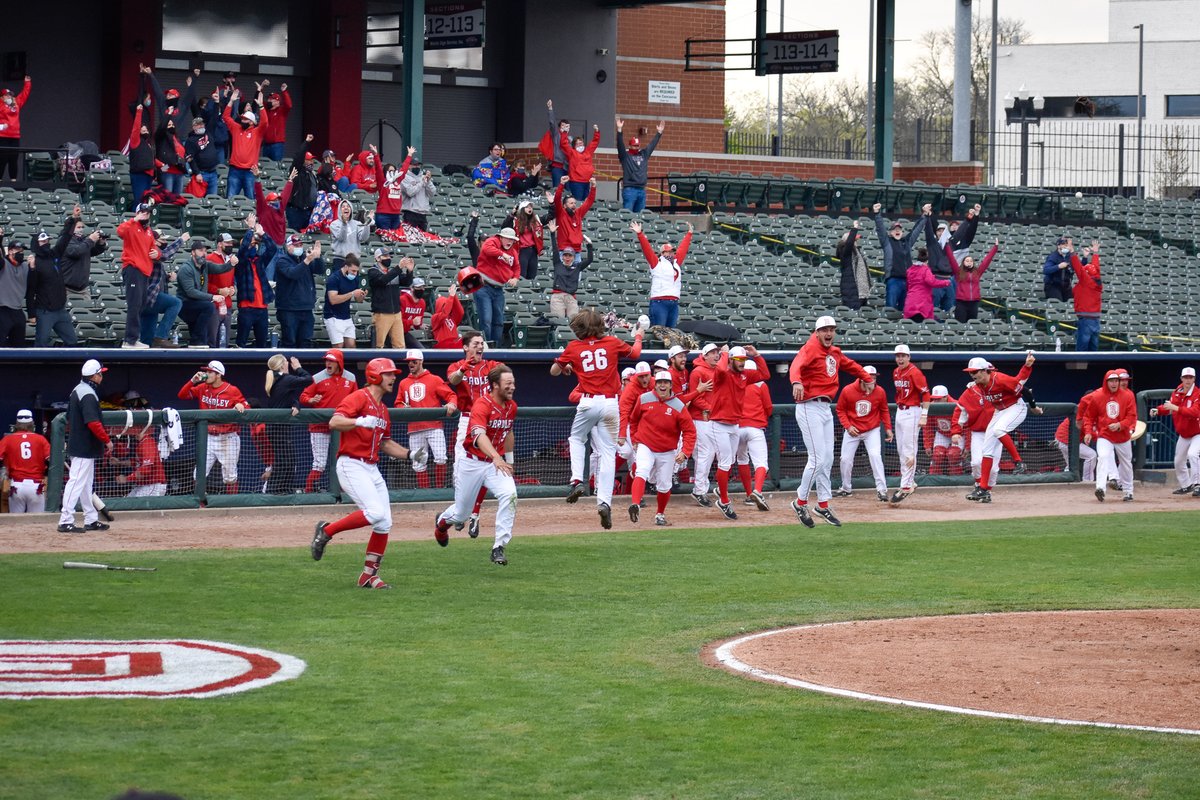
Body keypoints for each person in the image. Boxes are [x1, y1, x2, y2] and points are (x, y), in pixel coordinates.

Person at [310, 358, 426, 588]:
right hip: (351, 463)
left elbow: (385, 443)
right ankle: (327, 530)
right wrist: (359, 421)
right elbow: (335, 421)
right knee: (374, 512)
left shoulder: (383, 409)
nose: (394, 378)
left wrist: (410, 454)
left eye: (394, 374)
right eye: (389, 374)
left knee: (384, 523)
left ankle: (368, 576)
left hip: (371, 467)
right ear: (375, 376)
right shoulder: (358, 397)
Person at [552, 309, 646, 529]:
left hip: (587, 402)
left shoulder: (574, 347)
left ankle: (576, 480)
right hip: (610, 404)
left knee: (576, 439)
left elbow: (554, 371)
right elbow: (636, 354)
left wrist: (566, 366)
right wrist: (639, 334)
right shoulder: (612, 342)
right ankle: (604, 501)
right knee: (607, 454)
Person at [789, 315, 873, 527]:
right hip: (808, 406)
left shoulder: (834, 352)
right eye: (824, 330)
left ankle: (823, 504)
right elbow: (796, 365)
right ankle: (800, 502)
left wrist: (867, 377)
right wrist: (796, 381)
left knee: (827, 460)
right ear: (817, 332)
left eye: (832, 329)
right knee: (817, 459)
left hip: (825, 408)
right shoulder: (810, 348)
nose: (828, 333)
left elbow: (850, 365)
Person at [434, 365, 518, 566]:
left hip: (493, 465)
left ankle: (499, 546)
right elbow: (479, 437)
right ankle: (442, 523)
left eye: (513, 383)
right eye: (508, 384)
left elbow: (508, 433)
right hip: (472, 463)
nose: (512, 387)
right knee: (462, 513)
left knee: (510, 494)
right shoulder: (482, 405)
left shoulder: (511, 406)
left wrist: (509, 459)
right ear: (495, 385)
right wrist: (497, 458)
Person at [446, 330, 506, 538]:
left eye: (482, 344)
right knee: (460, 467)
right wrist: (464, 368)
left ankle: (475, 513)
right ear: (465, 347)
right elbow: (453, 380)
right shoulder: (456, 366)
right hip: (467, 418)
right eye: (475, 344)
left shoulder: (490, 366)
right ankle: (459, 511)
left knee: (487, 466)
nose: (480, 347)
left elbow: (506, 376)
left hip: (489, 422)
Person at [962, 353, 1035, 503]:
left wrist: (1034, 406)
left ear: (984, 371)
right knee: (987, 450)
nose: (972, 374)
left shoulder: (999, 379)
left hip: (1016, 407)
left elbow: (1023, 387)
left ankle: (1019, 461)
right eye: (970, 372)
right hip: (1000, 411)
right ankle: (983, 489)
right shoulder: (979, 385)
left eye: (974, 371)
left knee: (998, 430)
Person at [707, 345, 769, 520]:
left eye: (744, 360)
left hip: (735, 425)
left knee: (731, 461)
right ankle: (724, 501)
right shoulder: (722, 373)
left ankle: (722, 490)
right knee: (725, 463)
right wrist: (725, 353)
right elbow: (719, 367)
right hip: (718, 424)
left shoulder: (744, 375)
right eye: (739, 360)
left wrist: (756, 355)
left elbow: (765, 374)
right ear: (731, 360)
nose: (742, 363)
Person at [627, 371, 696, 526]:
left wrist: (685, 452)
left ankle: (660, 514)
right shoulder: (644, 399)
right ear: (655, 384)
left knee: (664, 485)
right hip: (646, 444)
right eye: (659, 382)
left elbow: (690, 431)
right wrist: (635, 438)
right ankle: (635, 504)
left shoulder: (678, 405)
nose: (662, 385)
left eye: (665, 382)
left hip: (667, 449)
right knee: (641, 470)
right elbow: (634, 419)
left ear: (671, 385)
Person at [58, 359, 113, 532]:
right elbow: (93, 423)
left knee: (86, 485)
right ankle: (65, 520)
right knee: (75, 483)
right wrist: (107, 440)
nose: (102, 376)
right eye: (100, 373)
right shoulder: (87, 394)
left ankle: (91, 519)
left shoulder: (78, 389)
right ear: (95, 375)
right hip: (83, 447)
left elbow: (68, 417)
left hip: (83, 446)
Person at [178, 360, 247, 494]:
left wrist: (241, 405)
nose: (206, 374)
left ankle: (231, 503)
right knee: (198, 472)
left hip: (227, 438)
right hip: (208, 437)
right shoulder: (202, 387)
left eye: (210, 372)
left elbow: (246, 407)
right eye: (206, 371)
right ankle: (200, 501)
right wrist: (192, 381)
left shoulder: (232, 390)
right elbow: (182, 395)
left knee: (230, 475)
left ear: (218, 374)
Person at [298, 349, 357, 493]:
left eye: (331, 361)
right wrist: (311, 400)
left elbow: (357, 399)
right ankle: (309, 492)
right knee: (319, 464)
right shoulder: (318, 378)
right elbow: (303, 396)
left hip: (340, 426)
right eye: (326, 360)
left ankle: (344, 492)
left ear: (339, 363)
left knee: (344, 462)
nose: (328, 363)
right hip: (320, 427)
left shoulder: (350, 378)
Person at [398, 349, 458, 488]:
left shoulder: (434, 379)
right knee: (418, 462)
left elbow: (451, 395)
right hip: (414, 428)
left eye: (414, 361)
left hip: (434, 426)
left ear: (421, 361)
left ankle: (439, 490)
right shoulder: (404, 383)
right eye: (409, 362)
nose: (411, 364)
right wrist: (403, 409)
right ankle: (424, 492)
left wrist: (451, 403)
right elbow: (398, 403)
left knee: (441, 458)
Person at [833, 365, 892, 501]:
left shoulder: (880, 391)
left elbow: (884, 410)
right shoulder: (848, 390)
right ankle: (846, 488)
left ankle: (882, 490)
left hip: (872, 429)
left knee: (875, 456)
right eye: (869, 377)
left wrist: (888, 428)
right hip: (852, 430)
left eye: (874, 377)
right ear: (861, 378)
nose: (872, 380)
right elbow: (840, 410)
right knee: (845, 460)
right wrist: (848, 426)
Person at [1083, 369, 1136, 502]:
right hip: (1105, 435)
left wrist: (1120, 425)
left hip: (1122, 436)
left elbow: (1132, 417)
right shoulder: (1097, 396)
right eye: (1111, 381)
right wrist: (1088, 431)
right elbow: (1089, 417)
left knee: (1126, 463)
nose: (1114, 383)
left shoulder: (1128, 396)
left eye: (1116, 381)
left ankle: (1128, 491)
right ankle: (1100, 488)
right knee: (1103, 457)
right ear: (1106, 382)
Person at [631, 219, 693, 328]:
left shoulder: (676, 263)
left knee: (671, 332)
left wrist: (689, 234)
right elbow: (648, 250)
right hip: (659, 302)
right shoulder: (656, 263)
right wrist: (640, 234)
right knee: (659, 331)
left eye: (672, 251)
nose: (671, 253)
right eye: (668, 252)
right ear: (662, 253)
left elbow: (683, 249)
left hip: (673, 302)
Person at [263, 354, 311, 494]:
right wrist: (299, 368)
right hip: (278, 427)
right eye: (287, 363)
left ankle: (284, 490)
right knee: (284, 461)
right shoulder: (285, 379)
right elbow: (309, 380)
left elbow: (290, 396)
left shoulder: (279, 380)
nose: (289, 365)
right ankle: (275, 491)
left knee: (288, 460)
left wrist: (296, 404)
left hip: (277, 427)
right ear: (283, 365)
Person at [890, 343, 931, 503]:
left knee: (909, 449)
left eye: (903, 356)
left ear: (909, 357)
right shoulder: (896, 372)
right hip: (900, 411)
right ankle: (909, 481)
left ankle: (906, 486)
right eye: (898, 356)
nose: (900, 358)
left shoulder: (915, 372)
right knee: (901, 450)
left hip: (912, 411)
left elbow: (926, 395)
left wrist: (924, 415)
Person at [1151, 366, 1200, 496]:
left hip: (1197, 432)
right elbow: (1170, 407)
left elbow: (1195, 412)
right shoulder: (1177, 392)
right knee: (1178, 461)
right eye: (1185, 377)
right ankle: (1186, 485)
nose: (1188, 380)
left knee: (1193, 454)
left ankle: (1198, 484)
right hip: (1184, 434)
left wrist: (1176, 408)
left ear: (1194, 379)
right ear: (1181, 378)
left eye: (1190, 378)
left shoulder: (1197, 394)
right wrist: (1158, 410)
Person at [873, 202, 930, 311]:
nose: (897, 230)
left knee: (905, 309)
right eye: (895, 229)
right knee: (891, 307)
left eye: (899, 229)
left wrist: (925, 215)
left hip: (908, 280)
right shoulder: (887, 242)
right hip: (893, 280)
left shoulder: (907, 242)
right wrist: (877, 214)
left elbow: (916, 230)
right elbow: (880, 229)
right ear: (890, 232)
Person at [116, 203, 158, 349]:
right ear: (138, 213)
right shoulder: (131, 226)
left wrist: (156, 253)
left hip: (145, 271)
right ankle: (130, 340)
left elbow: (154, 248)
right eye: (144, 212)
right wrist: (134, 219)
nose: (146, 215)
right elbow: (120, 231)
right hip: (133, 268)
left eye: (148, 213)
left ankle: (134, 338)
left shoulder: (149, 231)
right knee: (134, 304)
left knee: (140, 304)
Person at [26, 231, 77, 347]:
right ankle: (37, 365)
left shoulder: (55, 255)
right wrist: (31, 314)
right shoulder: (34, 262)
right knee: (41, 343)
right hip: (44, 311)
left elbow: (65, 238)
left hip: (61, 310)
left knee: (72, 341)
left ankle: (65, 364)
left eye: (48, 241)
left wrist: (73, 219)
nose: (46, 243)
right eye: (43, 241)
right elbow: (30, 289)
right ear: (36, 243)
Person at [138, 229, 186, 349]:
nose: (165, 242)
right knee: (176, 303)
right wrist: (181, 240)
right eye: (163, 239)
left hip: (148, 299)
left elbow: (154, 276)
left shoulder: (154, 253)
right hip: (149, 296)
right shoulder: (149, 250)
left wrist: (168, 278)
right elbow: (165, 254)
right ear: (155, 241)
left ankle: (144, 363)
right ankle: (160, 336)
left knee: (146, 342)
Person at [275, 235, 325, 348]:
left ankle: (302, 365)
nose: (299, 247)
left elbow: (320, 270)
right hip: (288, 309)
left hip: (306, 308)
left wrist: (318, 257)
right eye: (296, 245)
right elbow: (293, 274)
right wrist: (308, 260)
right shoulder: (282, 260)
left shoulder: (304, 258)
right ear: (288, 246)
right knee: (290, 341)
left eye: (300, 245)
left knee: (306, 341)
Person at [735, 360, 772, 510]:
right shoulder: (761, 384)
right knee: (761, 463)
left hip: (737, 427)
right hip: (755, 427)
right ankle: (757, 491)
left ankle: (749, 494)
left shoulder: (736, 382)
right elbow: (768, 408)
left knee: (741, 459)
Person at [687, 343, 721, 505]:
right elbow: (695, 398)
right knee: (704, 454)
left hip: (711, 419)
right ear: (705, 355)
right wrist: (711, 408)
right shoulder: (698, 372)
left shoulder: (718, 370)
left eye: (717, 352)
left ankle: (701, 488)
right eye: (713, 353)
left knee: (707, 454)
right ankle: (699, 490)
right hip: (699, 419)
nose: (716, 355)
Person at [474, 226, 520, 345]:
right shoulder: (493, 241)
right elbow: (486, 249)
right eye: (507, 238)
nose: (510, 242)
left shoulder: (513, 252)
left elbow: (516, 267)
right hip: (483, 286)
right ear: (501, 237)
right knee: (486, 319)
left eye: (512, 240)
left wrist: (515, 277)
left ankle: (496, 347)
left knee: (499, 321)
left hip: (498, 289)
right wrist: (501, 254)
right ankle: (486, 346)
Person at [222, 86, 269, 198]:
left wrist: (261, 106)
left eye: (245, 119)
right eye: (242, 118)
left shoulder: (257, 132)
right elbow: (226, 117)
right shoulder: (236, 128)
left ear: (252, 122)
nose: (242, 120)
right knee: (230, 200)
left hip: (250, 171)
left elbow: (265, 122)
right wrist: (231, 101)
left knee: (251, 200)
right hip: (235, 170)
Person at [235, 225, 276, 348]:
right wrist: (250, 230)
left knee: (262, 343)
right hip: (246, 308)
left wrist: (263, 234)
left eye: (255, 245)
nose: (253, 246)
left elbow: (272, 249)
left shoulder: (260, 261)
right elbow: (242, 251)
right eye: (251, 244)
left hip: (262, 308)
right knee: (241, 342)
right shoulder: (240, 262)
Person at [55, 205, 108, 300]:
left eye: (82, 227)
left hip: (83, 289)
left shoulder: (82, 240)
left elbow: (93, 251)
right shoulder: (64, 240)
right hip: (66, 288)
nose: (81, 229)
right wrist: (90, 240)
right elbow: (76, 252)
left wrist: (101, 243)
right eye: (78, 227)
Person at [1, 409, 50, 512]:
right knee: (37, 523)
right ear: (32, 423)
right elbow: (51, 461)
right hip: (36, 487)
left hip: (17, 486)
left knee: (16, 523)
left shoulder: (8, 439)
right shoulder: (41, 439)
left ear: (17, 424)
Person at [176, 239, 220, 347]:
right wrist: (212, 296)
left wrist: (232, 264)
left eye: (205, 251)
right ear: (193, 252)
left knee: (202, 340)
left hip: (196, 303)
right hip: (184, 304)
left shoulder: (204, 266)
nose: (204, 253)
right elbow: (191, 292)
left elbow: (221, 268)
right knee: (209, 307)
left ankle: (196, 344)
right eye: (201, 250)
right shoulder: (186, 268)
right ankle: (195, 340)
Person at [615, 118, 664, 212]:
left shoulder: (644, 154)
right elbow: (620, 145)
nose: (636, 147)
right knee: (627, 215)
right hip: (629, 190)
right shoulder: (625, 156)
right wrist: (619, 130)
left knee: (640, 217)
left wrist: (659, 133)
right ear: (630, 146)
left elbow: (651, 146)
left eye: (637, 146)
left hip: (641, 190)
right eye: (634, 146)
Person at [367, 249, 413, 348]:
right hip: (382, 313)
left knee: (400, 346)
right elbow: (383, 280)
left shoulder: (393, 271)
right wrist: (399, 268)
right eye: (385, 256)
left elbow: (406, 282)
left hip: (396, 313)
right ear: (378, 258)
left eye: (389, 256)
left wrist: (409, 271)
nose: (389, 258)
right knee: (379, 345)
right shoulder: (372, 271)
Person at [946, 237, 999, 323]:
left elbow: (987, 260)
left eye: (971, 261)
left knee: (972, 325)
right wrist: (947, 246)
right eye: (967, 261)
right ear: (963, 262)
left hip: (974, 303)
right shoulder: (958, 272)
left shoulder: (977, 272)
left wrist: (995, 247)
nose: (969, 262)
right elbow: (951, 259)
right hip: (961, 303)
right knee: (960, 325)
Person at [548, 223, 593, 320]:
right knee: (558, 320)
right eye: (565, 255)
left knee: (574, 322)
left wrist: (589, 246)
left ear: (573, 257)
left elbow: (590, 260)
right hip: (558, 297)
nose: (567, 257)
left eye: (570, 255)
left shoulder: (577, 266)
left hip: (571, 297)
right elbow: (555, 249)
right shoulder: (558, 264)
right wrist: (552, 234)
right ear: (562, 256)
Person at [113, 421, 166, 498]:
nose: (131, 431)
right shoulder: (142, 442)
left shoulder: (147, 442)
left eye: (133, 428)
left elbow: (146, 469)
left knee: (135, 506)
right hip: (144, 485)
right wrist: (119, 462)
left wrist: (126, 479)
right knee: (126, 503)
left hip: (153, 485)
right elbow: (136, 462)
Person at [323, 253, 365, 349]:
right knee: (338, 346)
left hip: (346, 316)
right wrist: (352, 293)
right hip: (332, 316)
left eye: (356, 271)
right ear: (346, 267)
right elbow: (333, 299)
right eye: (353, 270)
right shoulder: (334, 278)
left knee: (351, 346)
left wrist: (361, 296)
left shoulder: (355, 279)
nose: (355, 273)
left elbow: (358, 300)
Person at [504, 199, 553, 281]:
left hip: (533, 251)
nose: (530, 208)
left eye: (531, 207)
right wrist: (512, 214)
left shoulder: (536, 220)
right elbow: (504, 227)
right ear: (522, 209)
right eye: (527, 207)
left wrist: (552, 204)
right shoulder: (515, 221)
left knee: (532, 276)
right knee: (521, 276)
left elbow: (550, 216)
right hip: (522, 251)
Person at [206, 233, 238, 348]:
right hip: (214, 305)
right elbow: (204, 284)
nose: (230, 245)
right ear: (219, 244)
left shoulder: (231, 260)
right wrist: (219, 290)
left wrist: (232, 288)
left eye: (231, 243)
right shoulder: (209, 259)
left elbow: (231, 280)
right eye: (227, 243)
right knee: (212, 341)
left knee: (224, 341)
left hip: (227, 305)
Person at [552, 175, 596, 258]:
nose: (574, 205)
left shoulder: (578, 213)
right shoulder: (561, 213)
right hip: (564, 251)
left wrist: (593, 187)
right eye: (571, 203)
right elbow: (557, 199)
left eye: (575, 203)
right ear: (564, 205)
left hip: (577, 252)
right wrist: (561, 184)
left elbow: (589, 201)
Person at [373, 145, 415, 230]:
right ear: (385, 172)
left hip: (396, 215)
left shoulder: (398, 180)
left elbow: (404, 169)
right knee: (386, 239)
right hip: (383, 215)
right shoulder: (383, 181)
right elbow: (378, 168)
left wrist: (409, 155)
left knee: (395, 240)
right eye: (390, 171)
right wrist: (376, 155)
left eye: (394, 170)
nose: (393, 172)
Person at [903, 248, 950, 323]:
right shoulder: (925, 270)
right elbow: (932, 282)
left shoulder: (910, 270)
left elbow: (908, 286)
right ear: (927, 260)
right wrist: (946, 282)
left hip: (910, 301)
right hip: (921, 303)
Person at [1071, 239, 1103, 351]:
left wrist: (1072, 252)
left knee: (1081, 351)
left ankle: (1079, 369)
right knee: (1093, 351)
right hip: (1096, 320)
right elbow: (1096, 268)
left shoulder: (1086, 282)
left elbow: (1078, 268)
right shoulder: (1097, 280)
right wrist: (1095, 253)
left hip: (1086, 320)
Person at [924, 385, 961, 476]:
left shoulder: (957, 405)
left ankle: (956, 480)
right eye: (934, 399)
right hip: (942, 433)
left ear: (945, 397)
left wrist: (967, 446)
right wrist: (928, 445)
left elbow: (967, 426)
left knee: (954, 454)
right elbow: (928, 427)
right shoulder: (931, 407)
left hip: (958, 434)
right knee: (937, 455)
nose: (936, 401)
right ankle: (934, 481)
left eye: (939, 399)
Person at [0, 77, 31, 181]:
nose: (9, 96)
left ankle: (13, 181)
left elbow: (24, 95)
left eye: (10, 95)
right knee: (2, 159)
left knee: (13, 159)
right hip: (3, 136)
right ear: (2, 97)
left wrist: (27, 83)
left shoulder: (16, 103)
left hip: (15, 136)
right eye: (7, 95)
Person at [0, 231, 28, 346]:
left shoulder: (26, 266)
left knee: (19, 345)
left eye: (22, 251)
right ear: (10, 251)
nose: (21, 253)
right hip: (2, 309)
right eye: (18, 250)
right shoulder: (3, 264)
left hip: (18, 310)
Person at [330, 198, 373, 273]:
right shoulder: (334, 224)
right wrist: (344, 223)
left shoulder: (357, 223)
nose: (346, 208)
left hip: (354, 260)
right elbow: (341, 238)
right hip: (340, 260)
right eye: (343, 206)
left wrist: (367, 224)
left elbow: (363, 238)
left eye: (348, 206)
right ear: (340, 210)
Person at [837, 220, 871, 310]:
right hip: (852, 291)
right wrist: (855, 228)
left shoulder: (857, 253)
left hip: (861, 291)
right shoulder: (846, 252)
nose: (856, 242)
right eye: (854, 240)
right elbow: (849, 243)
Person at [561, 124, 601, 202]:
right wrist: (565, 132)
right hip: (576, 182)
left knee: (585, 204)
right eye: (578, 143)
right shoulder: (571, 153)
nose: (580, 145)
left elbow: (595, 142)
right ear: (574, 145)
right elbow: (564, 144)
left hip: (587, 182)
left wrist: (597, 132)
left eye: (581, 143)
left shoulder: (588, 151)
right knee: (578, 203)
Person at [184, 116, 221, 197]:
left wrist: (216, 103)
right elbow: (190, 159)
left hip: (213, 172)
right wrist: (197, 173)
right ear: (193, 127)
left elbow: (213, 119)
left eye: (202, 124)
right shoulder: (190, 140)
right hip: (201, 174)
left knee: (213, 199)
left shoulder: (208, 132)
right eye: (198, 124)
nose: (201, 126)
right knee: (198, 200)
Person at [401, 157, 437, 231]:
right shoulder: (404, 177)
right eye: (414, 165)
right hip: (410, 212)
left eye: (418, 165)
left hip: (422, 213)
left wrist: (428, 181)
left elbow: (432, 193)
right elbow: (410, 192)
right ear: (409, 165)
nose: (417, 167)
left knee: (422, 238)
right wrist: (422, 182)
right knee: (411, 237)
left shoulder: (424, 177)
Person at [542, 100, 571, 185]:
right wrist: (550, 109)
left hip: (568, 167)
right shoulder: (556, 134)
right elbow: (552, 123)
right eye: (563, 125)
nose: (565, 127)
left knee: (568, 190)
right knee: (558, 188)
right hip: (557, 166)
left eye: (567, 126)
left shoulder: (570, 139)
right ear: (559, 127)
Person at [261, 83, 292, 161]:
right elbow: (259, 100)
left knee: (276, 165)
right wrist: (261, 87)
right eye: (268, 99)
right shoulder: (266, 109)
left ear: (277, 102)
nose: (268, 100)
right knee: (265, 164)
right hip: (266, 144)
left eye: (270, 99)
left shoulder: (281, 111)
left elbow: (289, 105)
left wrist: (284, 91)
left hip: (277, 144)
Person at [1042, 236, 1074, 302]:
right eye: (1063, 244)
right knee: (1058, 302)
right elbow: (1046, 270)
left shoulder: (1070, 256)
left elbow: (1078, 267)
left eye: (1067, 245)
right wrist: (1058, 266)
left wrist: (1084, 258)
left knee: (1071, 303)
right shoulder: (1053, 256)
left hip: (1066, 285)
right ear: (1058, 246)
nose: (1065, 246)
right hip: (1053, 285)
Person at [400, 277, 428, 349]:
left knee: (422, 350)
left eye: (423, 287)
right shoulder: (402, 299)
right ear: (412, 288)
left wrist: (420, 325)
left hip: (405, 332)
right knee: (402, 351)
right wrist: (412, 322)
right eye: (419, 287)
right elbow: (397, 322)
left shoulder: (422, 302)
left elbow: (417, 324)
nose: (422, 290)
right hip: (396, 331)